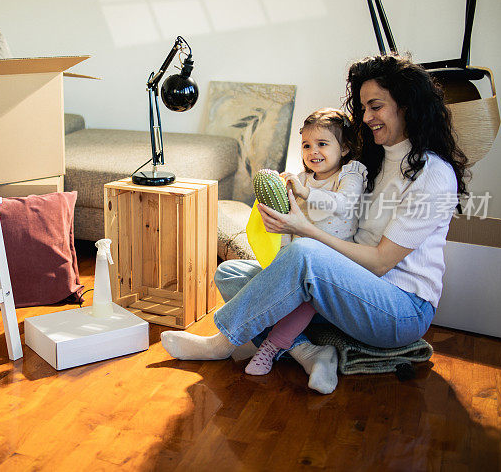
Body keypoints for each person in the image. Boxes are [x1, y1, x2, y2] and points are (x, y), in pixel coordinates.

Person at [161, 54, 468, 394]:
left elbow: (381, 262)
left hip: (400, 309)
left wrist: (305, 230)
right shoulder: (376, 162)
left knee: (304, 254)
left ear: (407, 104)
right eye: (363, 108)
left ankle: (221, 344)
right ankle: (310, 351)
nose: (366, 117)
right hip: (352, 286)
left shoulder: (432, 174)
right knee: (232, 273)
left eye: (376, 106)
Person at [244, 108, 367, 376]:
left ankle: (270, 347)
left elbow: (345, 206)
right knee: (235, 274)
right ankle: (305, 350)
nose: (313, 151)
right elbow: (290, 225)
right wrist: (280, 258)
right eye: (307, 145)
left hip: (332, 266)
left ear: (344, 148)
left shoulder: (350, 174)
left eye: (322, 144)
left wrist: (305, 192)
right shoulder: (299, 179)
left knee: (305, 296)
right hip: (299, 262)